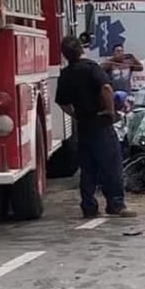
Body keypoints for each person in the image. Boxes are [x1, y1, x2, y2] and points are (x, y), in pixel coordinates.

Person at [55, 35, 136, 219]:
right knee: (112, 164)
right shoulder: (92, 68)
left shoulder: (66, 74)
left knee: (88, 168)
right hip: (100, 123)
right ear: (81, 49)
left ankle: (89, 207)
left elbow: (62, 102)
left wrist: (75, 115)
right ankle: (116, 204)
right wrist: (109, 110)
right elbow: (106, 89)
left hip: (84, 125)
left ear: (65, 54)